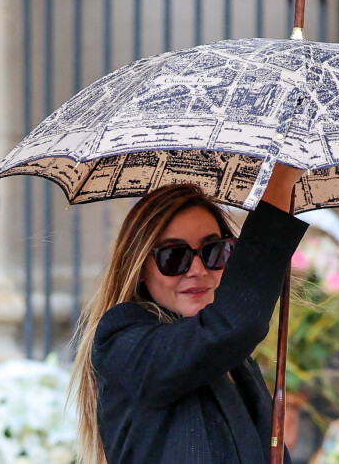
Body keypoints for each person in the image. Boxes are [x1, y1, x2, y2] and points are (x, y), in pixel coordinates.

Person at [71, 163, 307, 464]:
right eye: (174, 256)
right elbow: (232, 325)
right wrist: (281, 179)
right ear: (141, 268)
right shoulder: (123, 341)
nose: (198, 270)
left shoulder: (237, 363)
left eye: (214, 251)